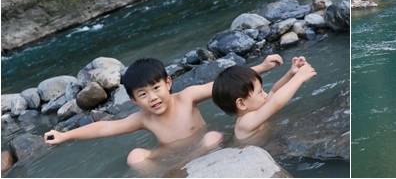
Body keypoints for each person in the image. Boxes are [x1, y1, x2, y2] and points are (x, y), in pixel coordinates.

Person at [43, 56, 281, 167]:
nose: (153, 97)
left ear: (168, 83)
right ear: (134, 100)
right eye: (143, 94)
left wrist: (261, 66)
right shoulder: (143, 119)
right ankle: (165, 176)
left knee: (214, 137)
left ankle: (181, 171)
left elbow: (224, 84)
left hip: (203, 148)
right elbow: (106, 127)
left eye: (156, 88)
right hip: (169, 156)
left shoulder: (187, 97)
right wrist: (66, 135)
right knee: (135, 155)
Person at [212, 56, 316, 143]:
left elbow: (274, 92)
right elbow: (276, 103)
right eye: (260, 92)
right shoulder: (244, 123)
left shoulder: (255, 109)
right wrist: (299, 78)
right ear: (241, 103)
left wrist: (291, 74)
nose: (265, 95)